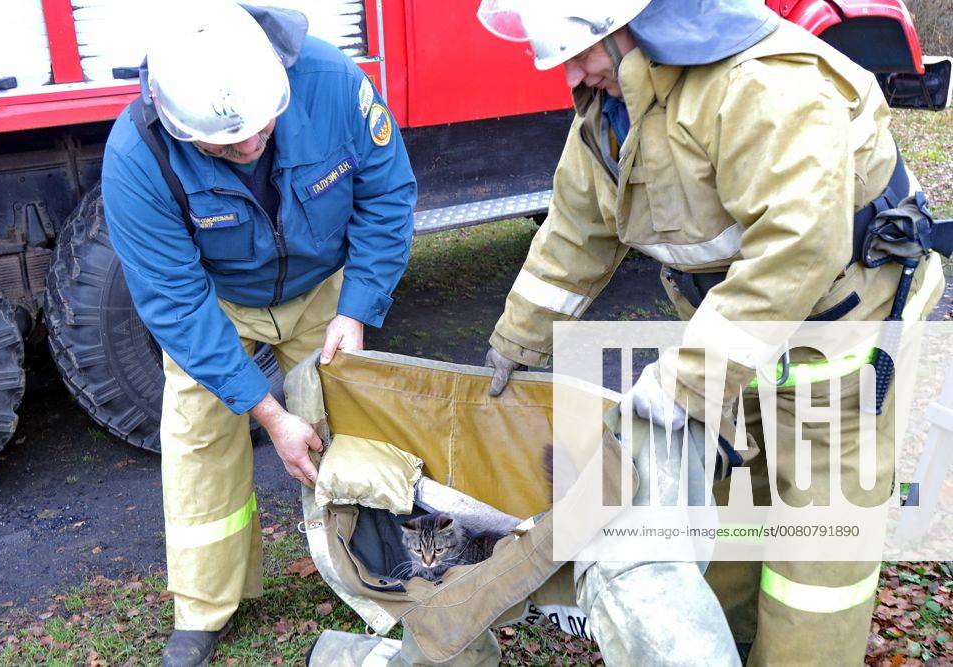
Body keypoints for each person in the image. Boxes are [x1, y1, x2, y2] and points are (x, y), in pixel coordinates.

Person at [478, 0, 945, 664]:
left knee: (819, 535)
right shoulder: (612, 105)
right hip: (743, 325)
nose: (567, 70)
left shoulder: (762, 88)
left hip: (845, 329)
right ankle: (720, 639)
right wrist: (517, 340)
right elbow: (575, 235)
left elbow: (800, 248)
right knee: (732, 501)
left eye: (579, 49)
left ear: (631, 28)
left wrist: (690, 376)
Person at [100, 2, 416, 664]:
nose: (249, 147)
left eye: (259, 128)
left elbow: (388, 195)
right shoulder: (136, 155)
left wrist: (355, 309)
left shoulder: (332, 83)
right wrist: (269, 413)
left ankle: (367, 573)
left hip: (324, 290)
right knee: (198, 437)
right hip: (219, 303)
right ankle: (203, 608)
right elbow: (175, 302)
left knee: (343, 422)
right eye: (225, 142)